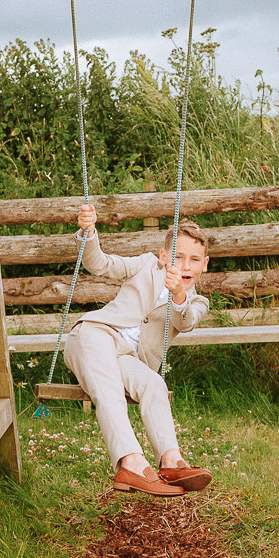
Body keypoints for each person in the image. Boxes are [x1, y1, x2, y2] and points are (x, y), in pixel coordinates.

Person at [61, 203, 214, 497]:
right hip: (95, 336)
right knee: (108, 388)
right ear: (162, 256)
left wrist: (179, 293)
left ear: (204, 264)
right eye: (178, 257)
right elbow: (101, 264)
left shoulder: (197, 302)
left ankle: (171, 462)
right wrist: (89, 232)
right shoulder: (145, 265)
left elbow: (187, 320)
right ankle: (130, 462)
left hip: (127, 358)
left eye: (194, 260)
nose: (185, 266)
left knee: (154, 383)